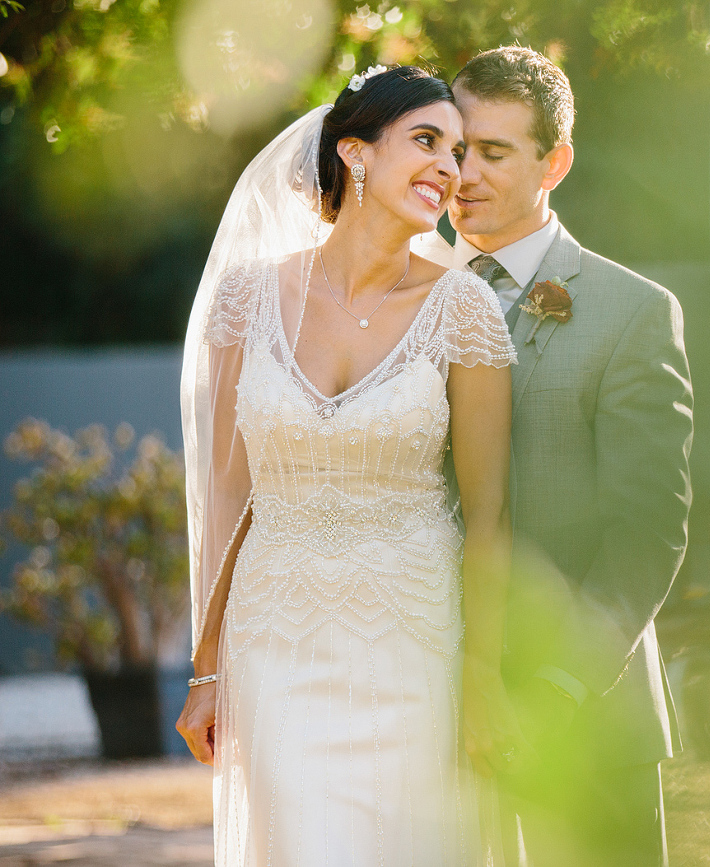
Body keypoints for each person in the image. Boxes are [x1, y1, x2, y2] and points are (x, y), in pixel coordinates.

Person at [174, 66, 522, 866]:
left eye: (461, 151)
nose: (452, 168)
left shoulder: (462, 307)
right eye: (428, 141)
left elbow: (489, 512)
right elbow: (229, 494)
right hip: (275, 640)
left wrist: (484, 674)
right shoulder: (247, 299)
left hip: (413, 639)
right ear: (356, 153)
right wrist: (205, 668)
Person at [448, 47, 694, 867]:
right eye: (452, 148)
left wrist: (556, 691)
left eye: (493, 152)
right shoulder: (395, 306)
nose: (463, 174)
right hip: (431, 722)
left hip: (586, 722)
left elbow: (648, 531)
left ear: (554, 162)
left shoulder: (631, 313)